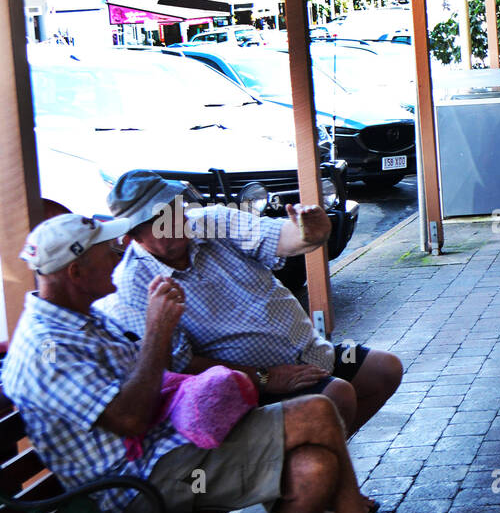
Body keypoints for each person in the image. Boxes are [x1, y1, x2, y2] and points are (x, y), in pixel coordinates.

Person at [2, 215, 452, 513]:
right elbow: (131, 419)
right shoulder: (47, 347)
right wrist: (159, 332)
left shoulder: (81, 318)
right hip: (141, 485)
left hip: (173, 448)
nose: (118, 253)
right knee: (318, 410)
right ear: (76, 273)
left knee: (314, 466)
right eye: (106, 252)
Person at [101, 171, 403, 441]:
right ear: (131, 237)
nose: (174, 221)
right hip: (247, 383)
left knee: (384, 370)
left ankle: (312, 473)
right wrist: (268, 378)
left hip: (309, 352)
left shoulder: (212, 221)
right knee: (337, 395)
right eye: (158, 220)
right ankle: (315, 482)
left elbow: (278, 237)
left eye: (174, 208)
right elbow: (183, 363)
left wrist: (308, 234)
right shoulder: (133, 281)